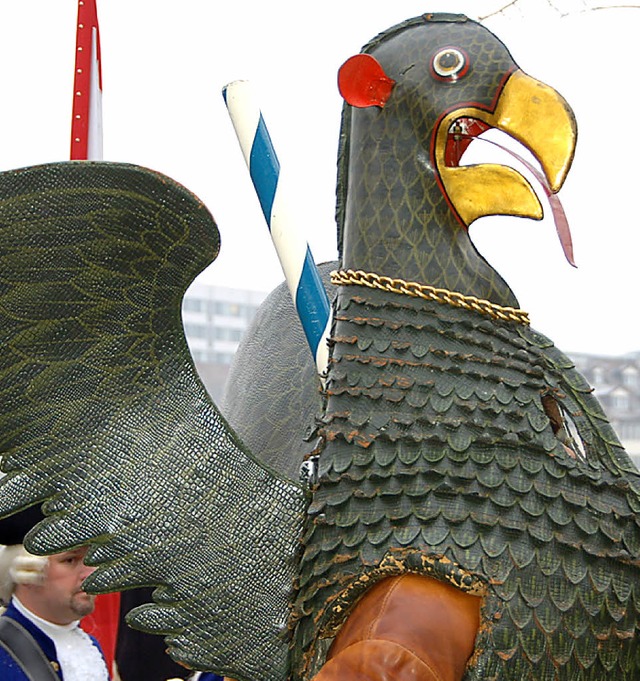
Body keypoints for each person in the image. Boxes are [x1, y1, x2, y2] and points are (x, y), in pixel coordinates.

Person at [0, 505, 110, 680]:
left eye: (92, 558)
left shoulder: (89, 647)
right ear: (26, 571)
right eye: (70, 560)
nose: (90, 573)